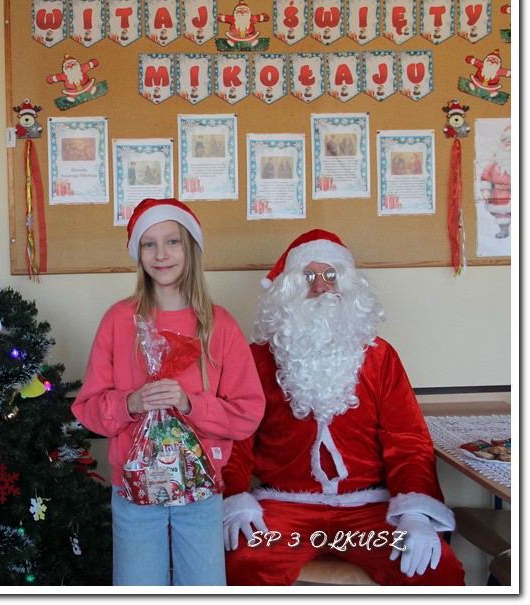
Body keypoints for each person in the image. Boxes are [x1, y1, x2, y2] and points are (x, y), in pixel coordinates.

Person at [221, 230, 465, 586]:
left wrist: (414, 513)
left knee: (434, 569)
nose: (320, 286)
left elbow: (408, 443)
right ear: (288, 289)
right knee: (241, 563)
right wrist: (234, 498)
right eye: (307, 276)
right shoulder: (258, 359)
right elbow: (236, 441)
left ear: (348, 285)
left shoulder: (380, 357)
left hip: (370, 511)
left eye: (330, 275)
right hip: (283, 509)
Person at [72, 198, 265, 586]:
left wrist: (190, 404)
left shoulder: (220, 325)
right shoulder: (118, 321)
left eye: (172, 241)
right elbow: (87, 409)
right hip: (134, 491)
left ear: (190, 247)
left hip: (201, 492)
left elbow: (248, 413)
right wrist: (131, 403)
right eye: (149, 244)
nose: (161, 254)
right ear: (138, 253)